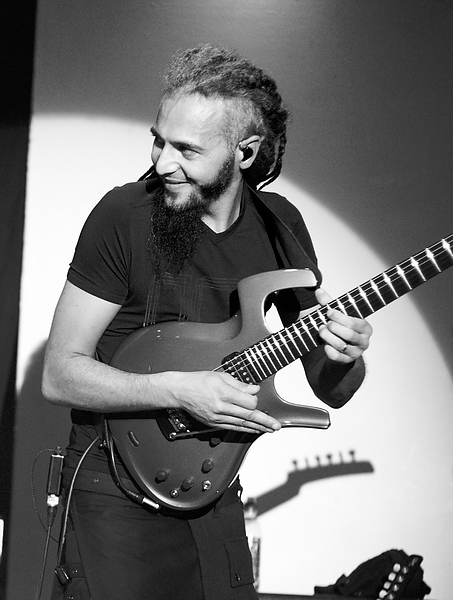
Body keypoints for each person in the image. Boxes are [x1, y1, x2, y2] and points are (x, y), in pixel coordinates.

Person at [41, 44, 373, 600]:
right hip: (114, 482)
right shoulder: (123, 214)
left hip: (212, 486)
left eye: (187, 150)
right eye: (159, 139)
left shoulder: (281, 228)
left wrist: (345, 353)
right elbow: (59, 373)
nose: (162, 162)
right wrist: (178, 390)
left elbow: (331, 389)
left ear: (245, 153)